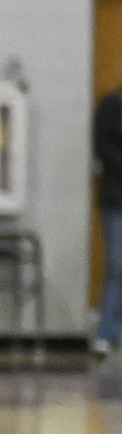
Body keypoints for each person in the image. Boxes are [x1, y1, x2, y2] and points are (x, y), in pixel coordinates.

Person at [96, 83, 122, 359]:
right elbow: (104, 150)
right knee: (118, 266)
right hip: (116, 200)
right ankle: (106, 332)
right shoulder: (111, 106)